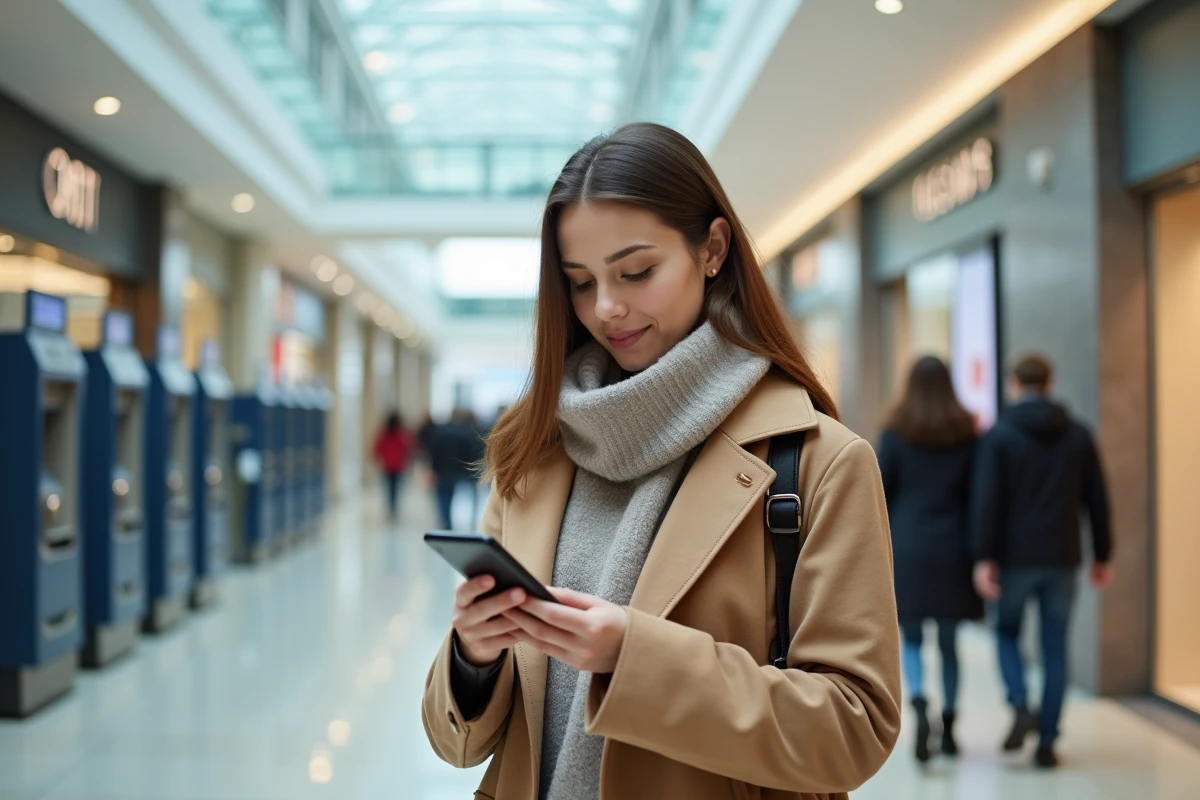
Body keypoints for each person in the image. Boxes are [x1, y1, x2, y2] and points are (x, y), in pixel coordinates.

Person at [421, 123, 901, 800]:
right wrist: (474, 654)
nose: (607, 308)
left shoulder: (819, 462)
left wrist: (634, 659)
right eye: (580, 282)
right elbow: (458, 741)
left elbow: (855, 729)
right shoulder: (533, 451)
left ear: (711, 248)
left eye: (637, 271)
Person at [971, 353, 1114, 769]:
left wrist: (984, 556)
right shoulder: (1078, 434)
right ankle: (1048, 739)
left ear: (1014, 384)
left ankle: (1019, 704)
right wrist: (1102, 553)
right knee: (1055, 646)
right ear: (1049, 384)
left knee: (1006, 633)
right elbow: (1097, 499)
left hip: (1014, 559)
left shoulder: (1000, 436)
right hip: (1062, 557)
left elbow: (987, 501)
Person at [878, 356, 983, 764]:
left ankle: (919, 703)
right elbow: (977, 495)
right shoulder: (966, 432)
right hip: (954, 544)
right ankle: (951, 723)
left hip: (910, 543)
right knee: (950, 641)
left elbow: (881, 490)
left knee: (914, 637)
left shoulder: (896, 431)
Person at [427, 408, 481, 530]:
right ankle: (447, 520)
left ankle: (445, 520)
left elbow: (434, 452)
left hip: (442, 469)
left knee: (443, 496)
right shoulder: (463, 434)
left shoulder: (440, 432)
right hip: (455, 470)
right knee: (450, 495)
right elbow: (467, 453)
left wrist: (433, 468)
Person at [372, 411, 414, 521]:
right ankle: (393, 507)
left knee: (389, 488)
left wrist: (377, 460)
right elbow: (408, 449)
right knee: (396, 488)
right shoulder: (402, 434)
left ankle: (391, 507)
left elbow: (377, 448)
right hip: (399, 466)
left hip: (388, 465)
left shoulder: (384, 434)